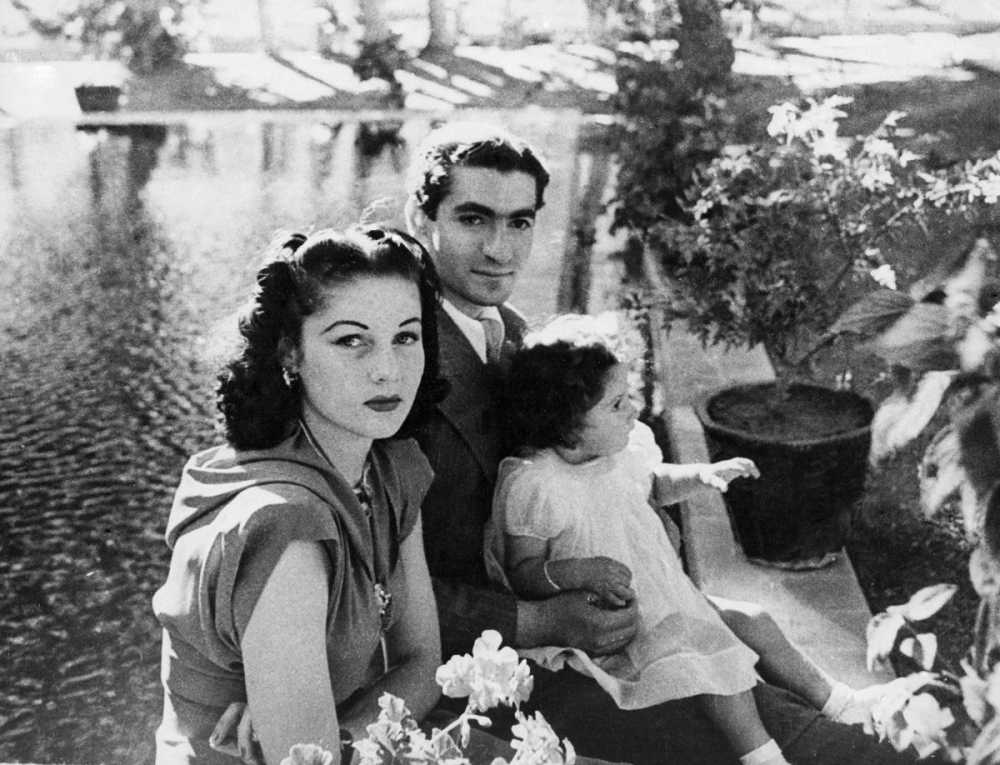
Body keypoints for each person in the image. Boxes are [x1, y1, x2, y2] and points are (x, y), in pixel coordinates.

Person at [215, 123, 927, 764]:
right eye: (473, 219)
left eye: (519, 222)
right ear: (419, 218)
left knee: (789, 690)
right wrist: (539, 617)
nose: (501, 248)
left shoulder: (515, 334)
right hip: (506, 665)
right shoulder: (389, 376)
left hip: (607, 614)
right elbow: (364, 565)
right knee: (804, 737)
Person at [153, 226, 447, 765]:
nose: (387, 369)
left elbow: (425, 662)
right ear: (290, 352)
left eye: (405, 336)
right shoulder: (286, 525)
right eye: (350, 340)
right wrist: (326, 735)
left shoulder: (391, 470)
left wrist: (346, 731)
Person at [489, 312, 798, 764]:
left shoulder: (620, 453)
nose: (632, 411)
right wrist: (580, 572)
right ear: (568, 424)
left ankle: (836, 700)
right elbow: (522, 573)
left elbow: (654, 482)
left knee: (756, 621)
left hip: (664, 595)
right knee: (701, 656)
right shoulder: (536, 485)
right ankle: (762, 755)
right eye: (616, 405)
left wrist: (703, 474)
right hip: (612, 623)